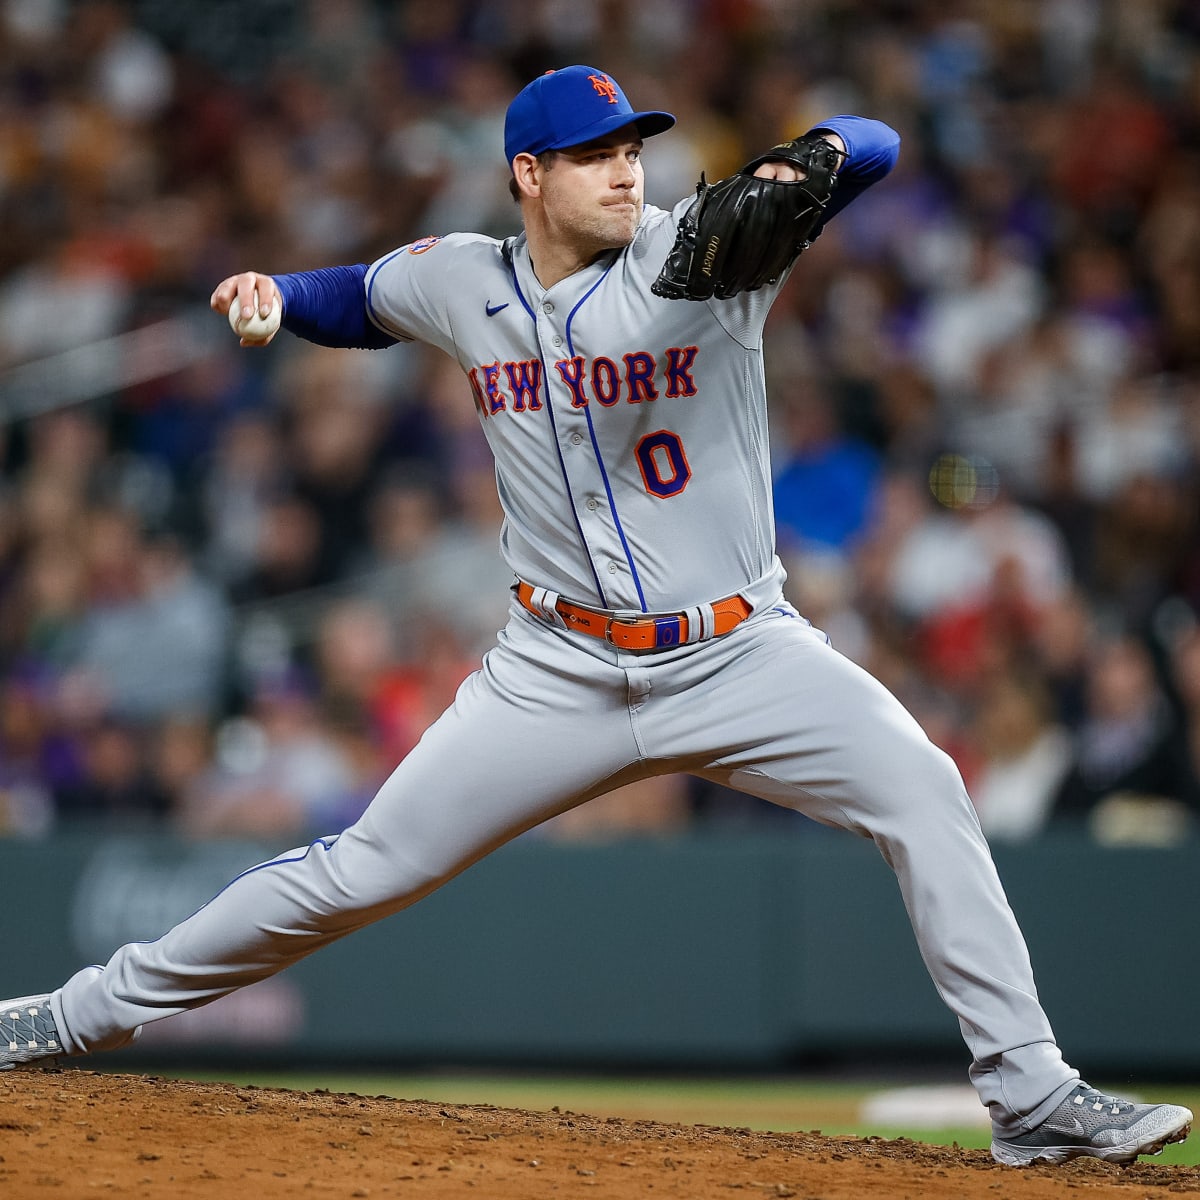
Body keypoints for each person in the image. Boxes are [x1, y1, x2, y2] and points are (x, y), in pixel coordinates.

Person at [0, 64, 1190, 1169]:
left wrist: (812, 156)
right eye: (594, 154)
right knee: (361, 868)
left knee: (924, 790)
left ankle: (1032, 1096)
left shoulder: (706, 259)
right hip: (554, 668)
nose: (628, 170)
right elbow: (357, 299)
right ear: (529, 174)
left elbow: (873, 147)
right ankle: (73, 1014)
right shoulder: (465, 278)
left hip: (737, 650)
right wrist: (274, 294)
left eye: (634, 149)